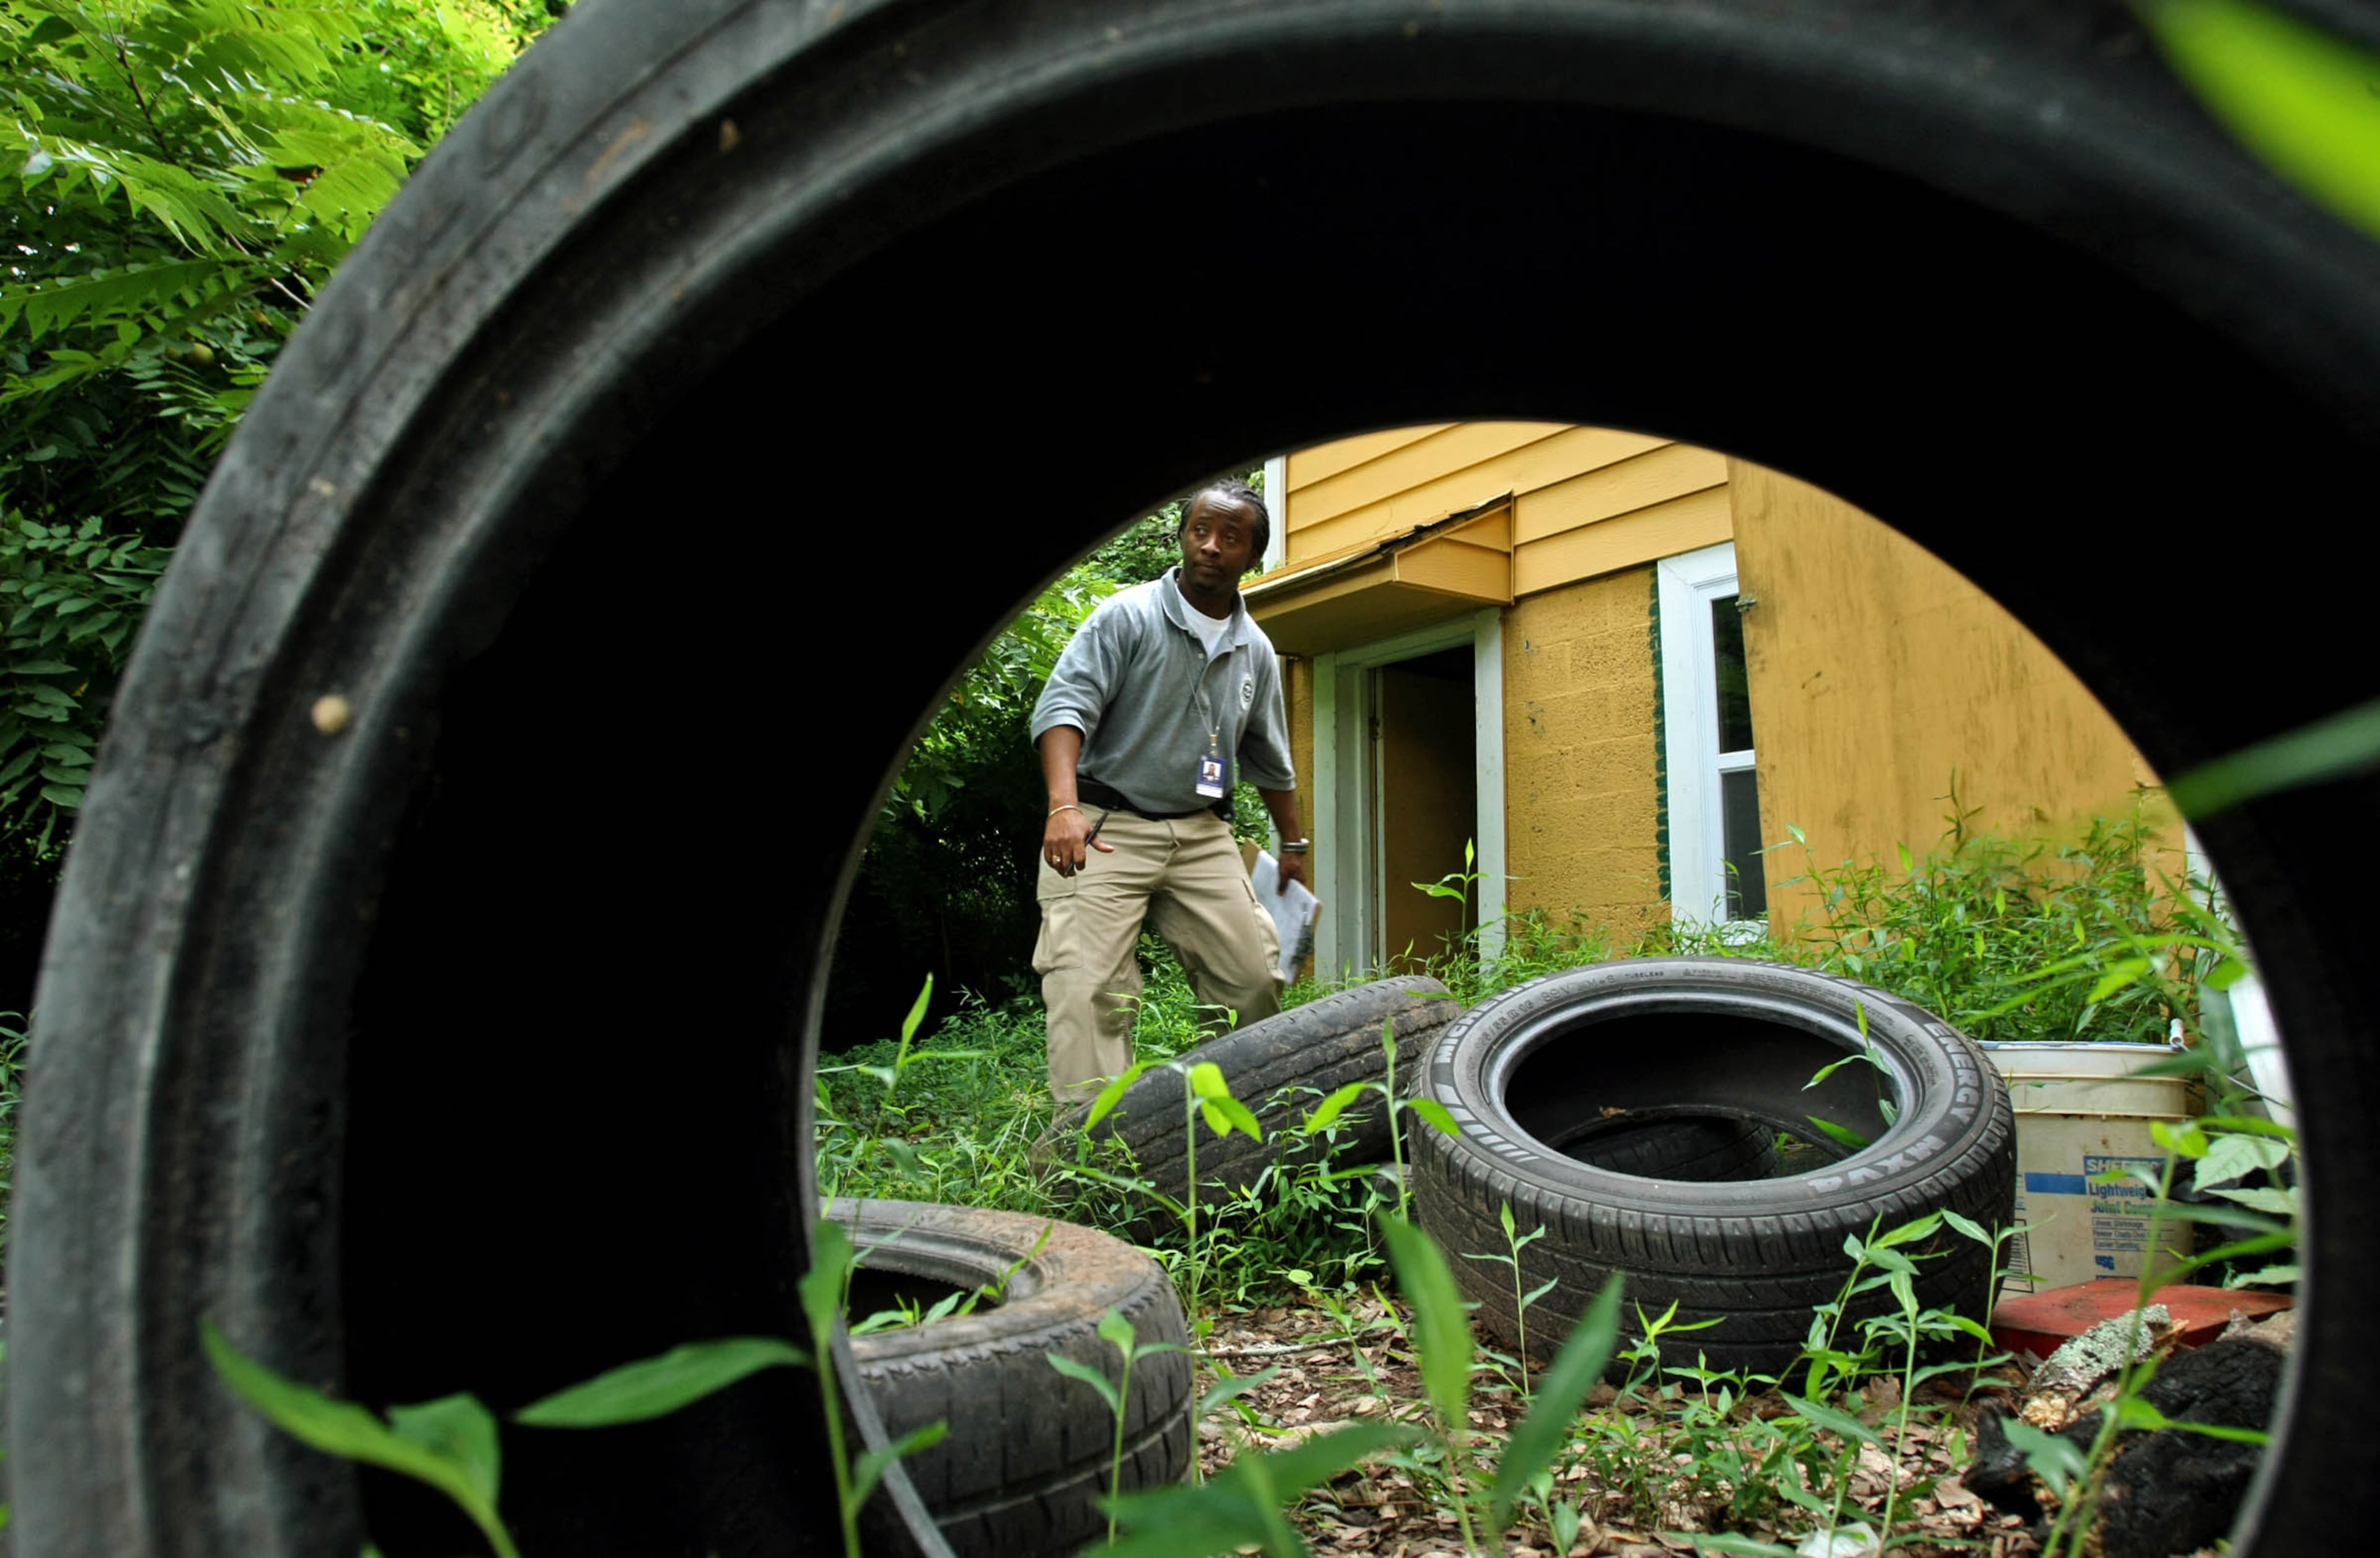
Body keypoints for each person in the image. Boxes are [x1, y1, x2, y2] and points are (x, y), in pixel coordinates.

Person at [1029, 478, 1310, 1105]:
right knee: (1088, 988)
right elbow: (1063, 711)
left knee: (1253, 979)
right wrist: (1064, 807)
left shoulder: (1254, 650)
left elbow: (1270, 758)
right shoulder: (1126, 618)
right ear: (1184, 538)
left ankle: (1234, 1124)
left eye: (1230, 537)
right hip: (1104, 826)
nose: (1211, 546)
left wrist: (1293, 842)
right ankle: (1093, 1156)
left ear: (1252, 555)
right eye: (1200, 531)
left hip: (1201, 831)